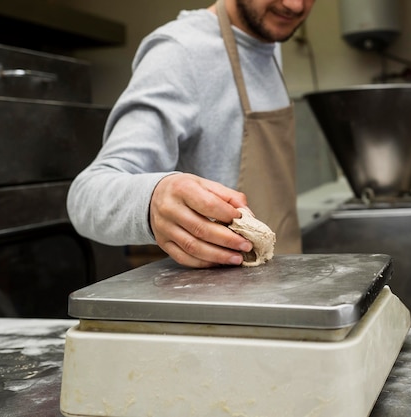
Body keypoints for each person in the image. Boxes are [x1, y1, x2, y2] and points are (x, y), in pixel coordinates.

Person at [67, 0, 316, 269]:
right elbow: (86, 197)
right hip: (225, 303)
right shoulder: (179, 51)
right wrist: (154, 199)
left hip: (284, 286)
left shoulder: (270, 39)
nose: (294, 5)